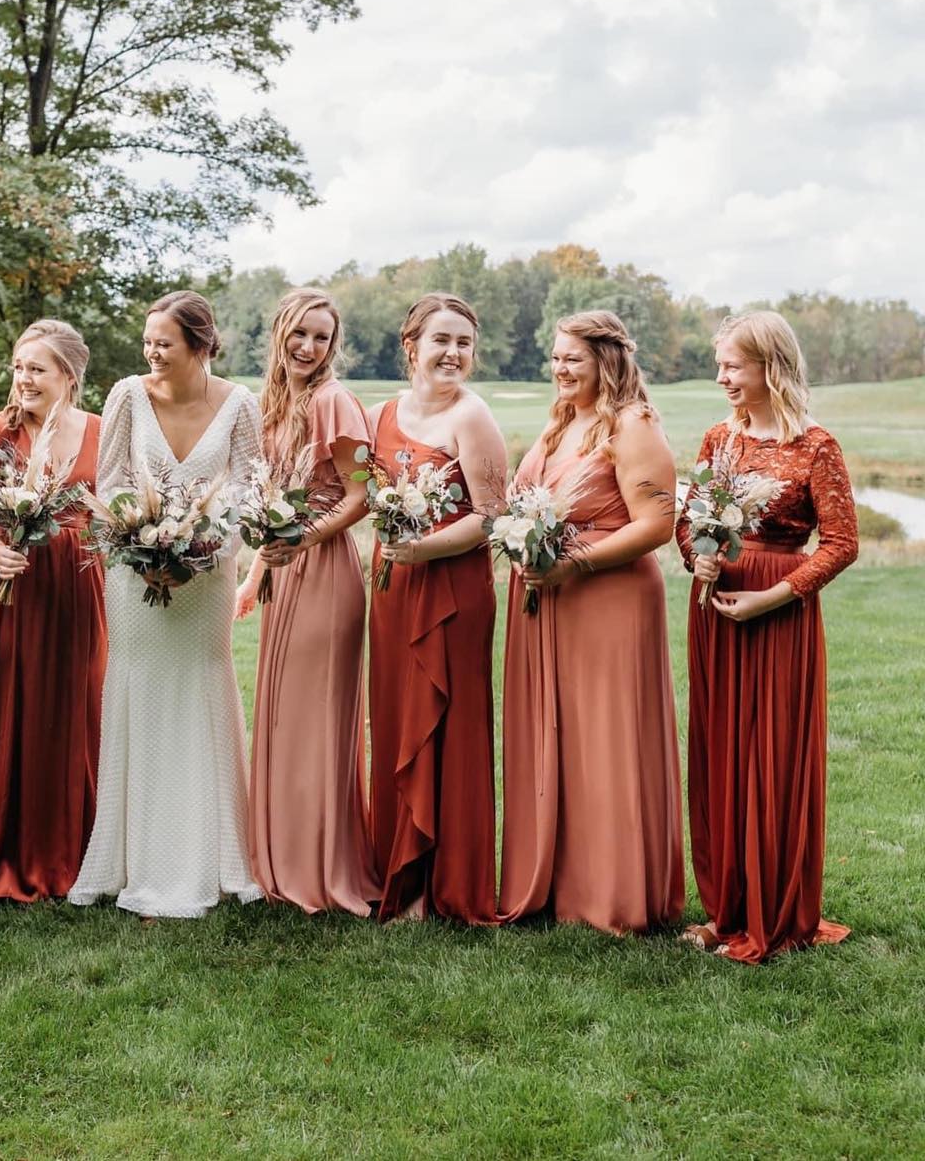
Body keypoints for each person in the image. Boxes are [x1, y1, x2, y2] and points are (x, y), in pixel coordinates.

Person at [69, 291, 263, 918]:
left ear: (200, 345)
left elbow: (249, 491)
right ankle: (133, 860)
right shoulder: (127, 394)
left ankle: (211, 854)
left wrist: (198, 553)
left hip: (207, 579)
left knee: (200, 691)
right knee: (142, 693)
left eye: (165, 342)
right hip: (135, 576)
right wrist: (146, 547)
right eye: (148, 340)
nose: (152, 352)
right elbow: (112, 483)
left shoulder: (241, 405)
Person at [679, 310, 858, 962]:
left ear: (769, 366)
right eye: (720, 363)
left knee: (772, 756)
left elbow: (842, 544)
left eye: (734, 364)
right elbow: (690, 518)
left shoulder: (816, 445)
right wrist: (694, 552)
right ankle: (724, 911)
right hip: (717, 613)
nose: (722, 375)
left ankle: (772, 917)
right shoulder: (715, 439)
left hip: (777, 615)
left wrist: (772, 597)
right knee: (721, 753)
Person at [499, 309, 684, 935]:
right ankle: (555, 882)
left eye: (571, 358)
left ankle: (612, 895)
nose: (559, 368)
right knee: (560, 739)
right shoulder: (562, 422)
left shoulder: (632, 425)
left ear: (607, 361)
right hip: (551, 601)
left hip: (609, 602)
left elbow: (657, 524)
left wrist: (574, 562)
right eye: (554, 357)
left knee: (604, 743)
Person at [0, 319, 106, 901]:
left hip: (74, 596)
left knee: (67, 710)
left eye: (36, 368)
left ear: (69, 376)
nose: (23, 379)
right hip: (1, 592)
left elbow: (114, 508)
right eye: (18, 367)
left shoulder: (101, 433)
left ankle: (68, 852)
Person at [237, 289, 379, 914]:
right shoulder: (276, 404)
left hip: (322, 570)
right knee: (282, 718)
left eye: (321, 337)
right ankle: (275, 858)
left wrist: (303, 537)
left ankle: (319, 867)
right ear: (279, 333)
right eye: (299, 333)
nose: (308, 347)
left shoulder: (333, 402)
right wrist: (256, 570)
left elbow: (360, 497)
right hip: (283, 568)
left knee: (313, 721)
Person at [366, 293, 506, 923]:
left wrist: (422, 551)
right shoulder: (377, 415)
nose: (453, 354)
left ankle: (440, 884)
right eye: (441, 340)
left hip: (451, 592)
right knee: (396, 718)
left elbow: (491, 516)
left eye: (464, 343)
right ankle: (392, 869)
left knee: (444, 725)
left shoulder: (473, 418)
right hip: (392, 588)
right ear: (411, 346)